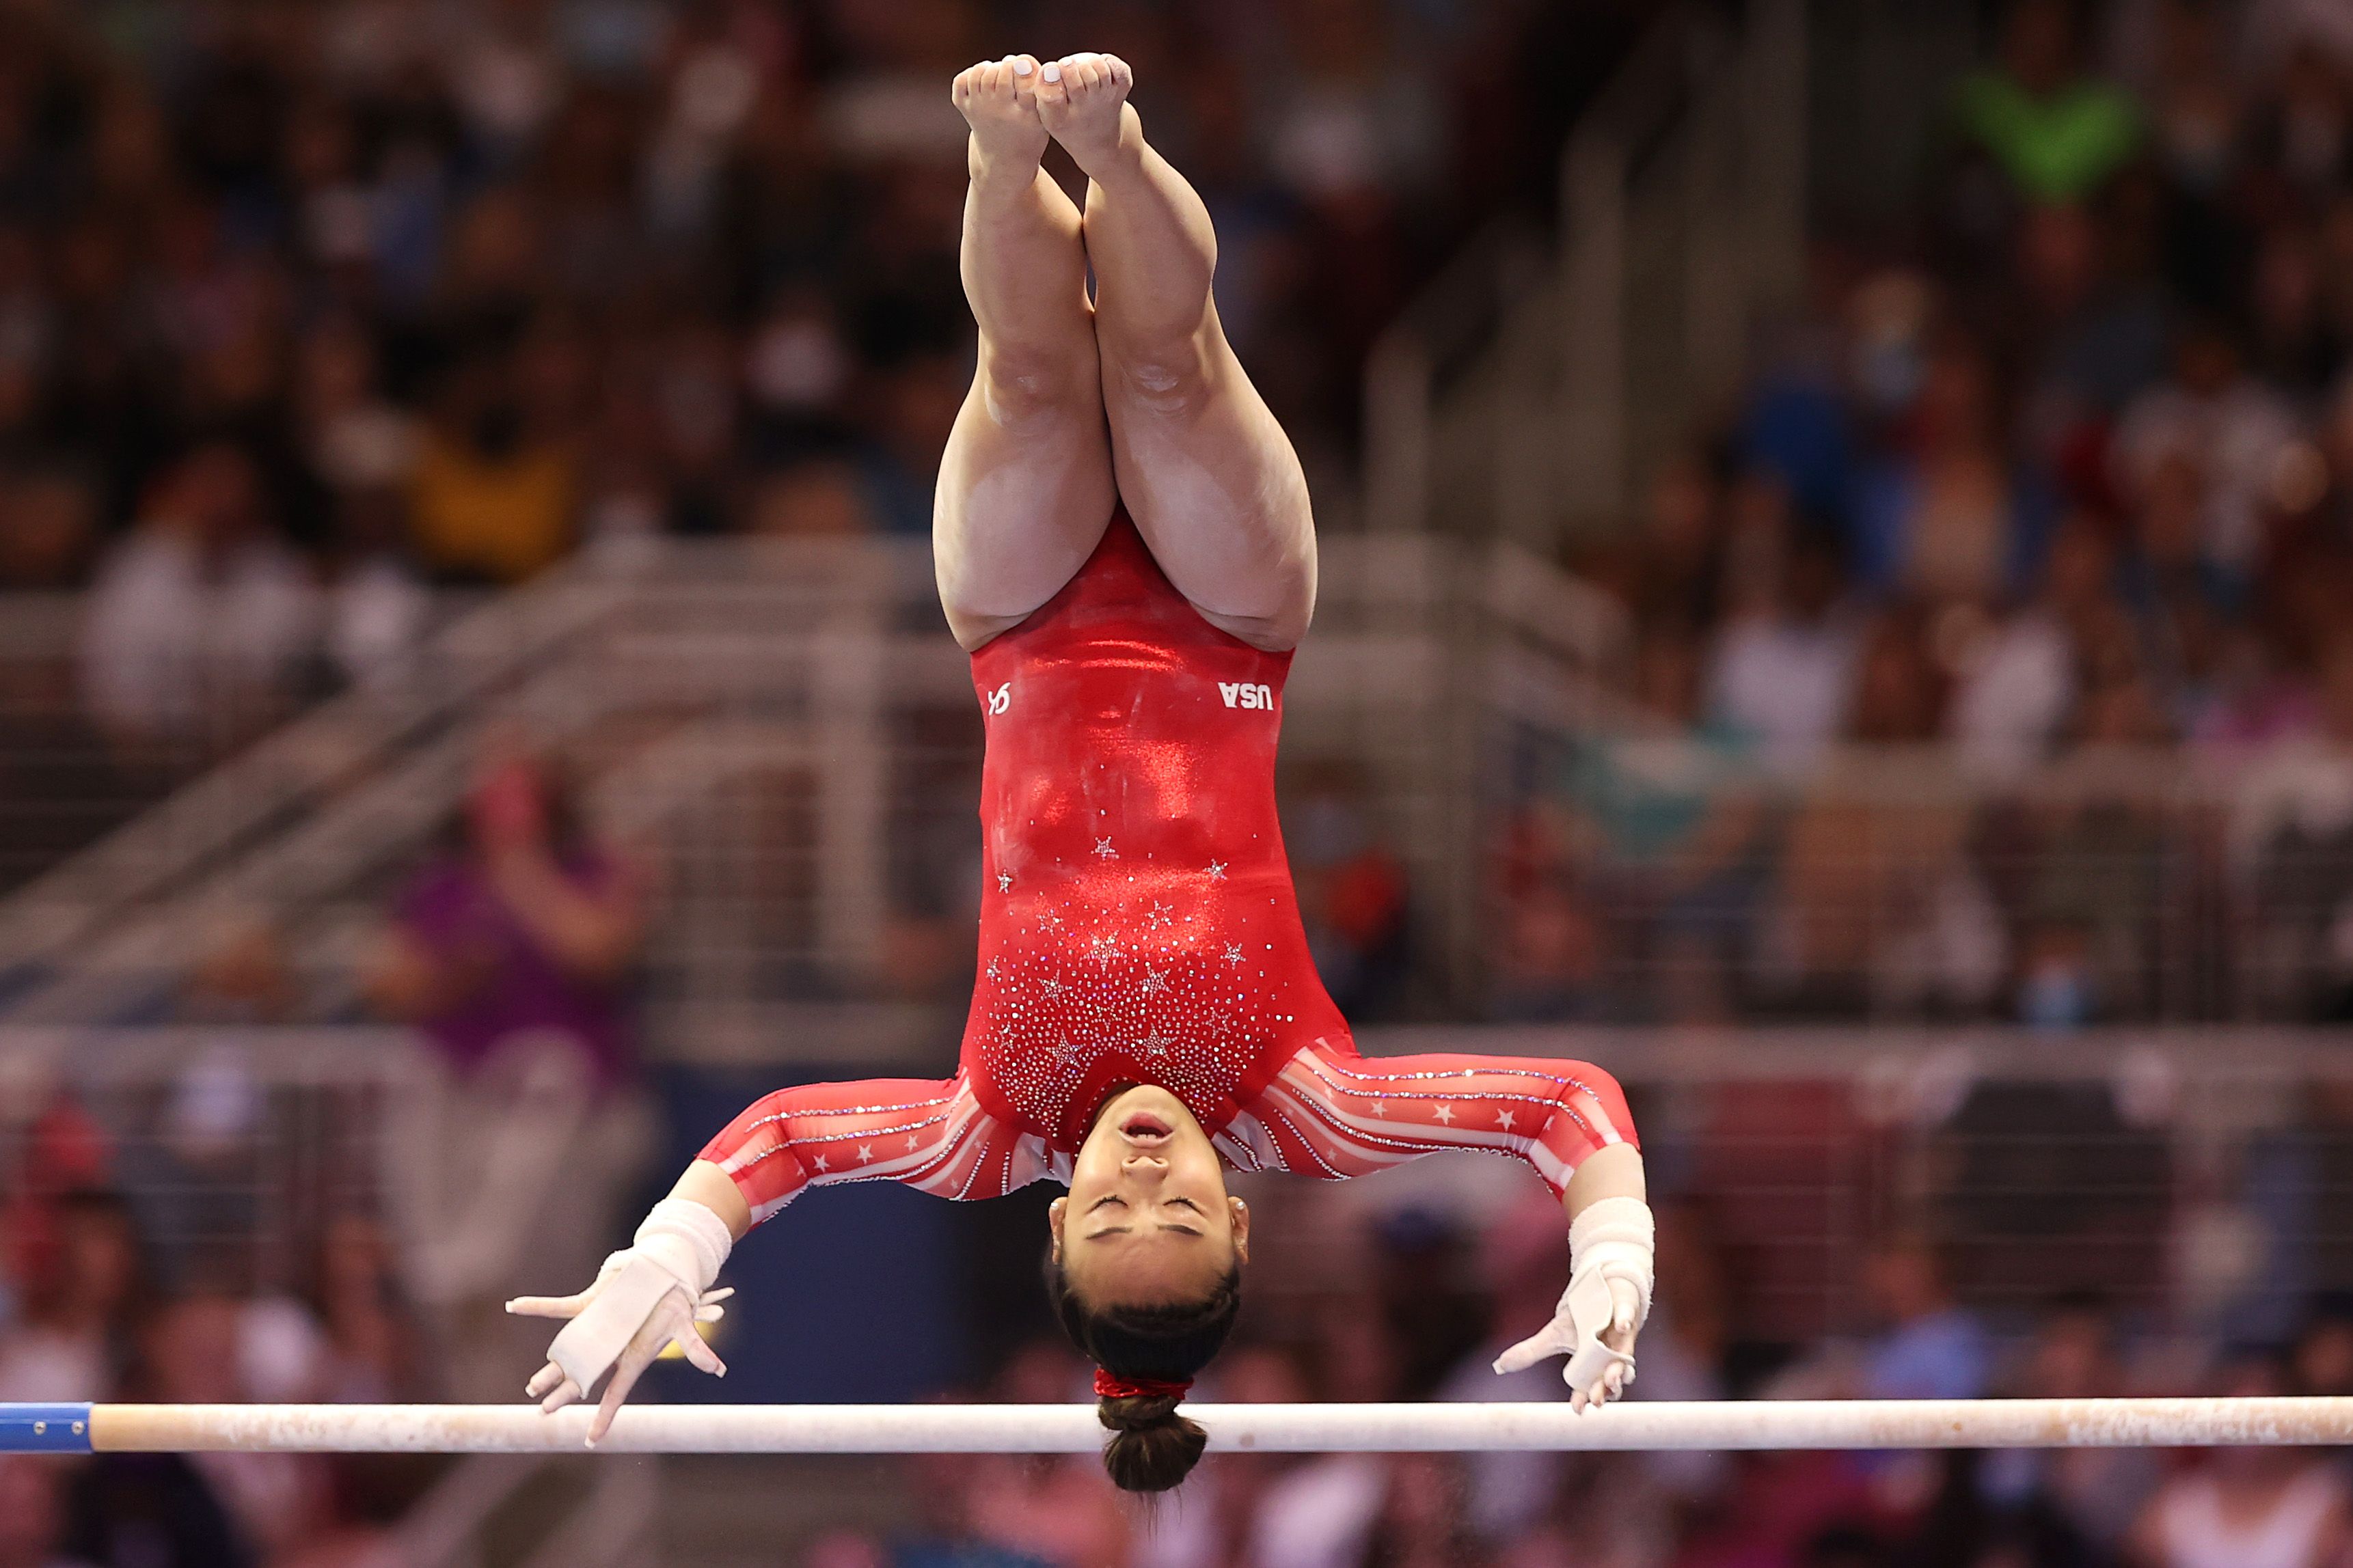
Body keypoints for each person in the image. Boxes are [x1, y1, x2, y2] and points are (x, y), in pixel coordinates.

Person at [510, 51, 1654, 1496]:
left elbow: (779, 1133)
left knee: (1035, 373)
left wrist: (667, 1251)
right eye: (1180, 1208)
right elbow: (1572, 1102)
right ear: (1243, 1222)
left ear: (1053, 1231)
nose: (1143, 1175)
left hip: (1022, 628)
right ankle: (1107, 153)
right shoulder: (1312, 1103)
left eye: (1110, 1216)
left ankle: (999, 170)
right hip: (1232, 622)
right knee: (1169, 369)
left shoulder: (990, 1126)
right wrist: (1612, 1247)